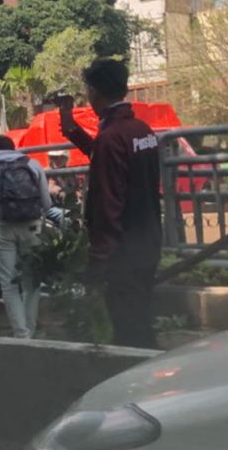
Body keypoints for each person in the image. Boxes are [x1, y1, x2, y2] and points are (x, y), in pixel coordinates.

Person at [59, 58, 162, 348]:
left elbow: (108, 202)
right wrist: (72, 129)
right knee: (142, 320)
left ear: (94, 92)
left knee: (127, 332)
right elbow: (110, 160)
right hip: (148, 241)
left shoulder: (112, 137)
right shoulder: (142, 131)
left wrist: (98, 262)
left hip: (123, 253)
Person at [0, 135, 52, 339]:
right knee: (31, 281)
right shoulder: (32, 165)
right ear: (13, 149)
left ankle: (21, 335)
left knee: (9, 283)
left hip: (0, 226)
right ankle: (31, 329)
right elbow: (46, 203)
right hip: (32, 225)